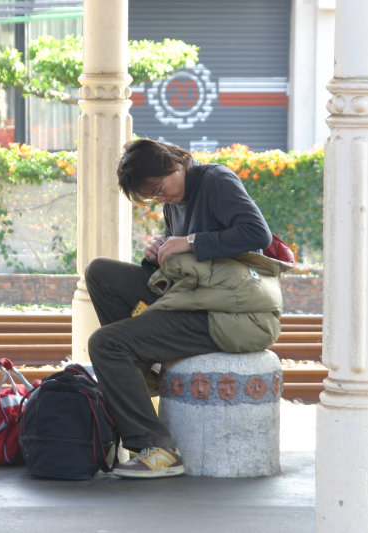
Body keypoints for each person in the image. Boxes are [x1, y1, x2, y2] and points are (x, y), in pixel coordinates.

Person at [85, 138, 292, 479]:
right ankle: (139, 366)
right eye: (153, 195)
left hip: (226, 313)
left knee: (106, 343)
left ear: (177, 163)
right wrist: (158, 254)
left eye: (160, 187)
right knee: (100, 273)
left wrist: (190, 242)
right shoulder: (174, 203)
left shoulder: (216, 181)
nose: (161, 197)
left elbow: (256, 233)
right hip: (193, 298)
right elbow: (178, 269)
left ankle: (158, 448)